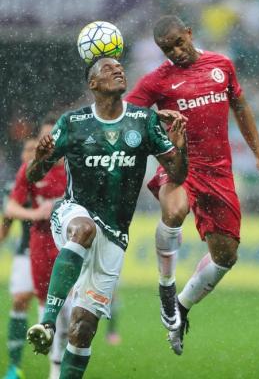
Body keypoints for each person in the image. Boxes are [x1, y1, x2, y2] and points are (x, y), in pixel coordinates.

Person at [124, 15, 259, 355]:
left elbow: (240, 105)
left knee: (225, 257)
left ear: (190, 33)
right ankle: (166, 287)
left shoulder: (221, 66)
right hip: (179, 164)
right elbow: (126, 114)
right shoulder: (157, 81)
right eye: (168, 49)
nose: (176, 52)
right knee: (174, 210)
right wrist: (157, 119)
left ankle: (181, 305)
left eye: (179, 42)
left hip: (218, 172)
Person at [25, 56, 188, 378]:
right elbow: (34, 175)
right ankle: (46, 322)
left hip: (115, 234)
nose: (117, 69)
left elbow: (178, 174)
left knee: (83, 328)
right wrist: (41, 160)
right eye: (107, 68)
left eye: (120, 66)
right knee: (83, 229)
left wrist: (180, 147)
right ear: (93, 84)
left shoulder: (144, 121)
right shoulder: (72, 123)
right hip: (73, 212)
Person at [6, 120, 71, 379]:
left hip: (71, 245)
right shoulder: (31, 170)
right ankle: (53, 366)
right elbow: (10, 208)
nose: (50, 141)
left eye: (56, 136)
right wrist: (36, 212)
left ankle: (61, 362)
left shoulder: (74, 168)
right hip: (40, 245)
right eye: (46, 136)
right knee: (46, 303)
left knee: (72, 307)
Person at [1, 138, 37, 379]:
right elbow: (6, 222)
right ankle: (15, 366)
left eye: (35, 149)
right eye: (27, 149)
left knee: (67, 312)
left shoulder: (58, 180)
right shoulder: (15, 186)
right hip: (27, 251)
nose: (30, 154)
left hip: (58, 253)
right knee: (19, 299)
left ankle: (61, 364)